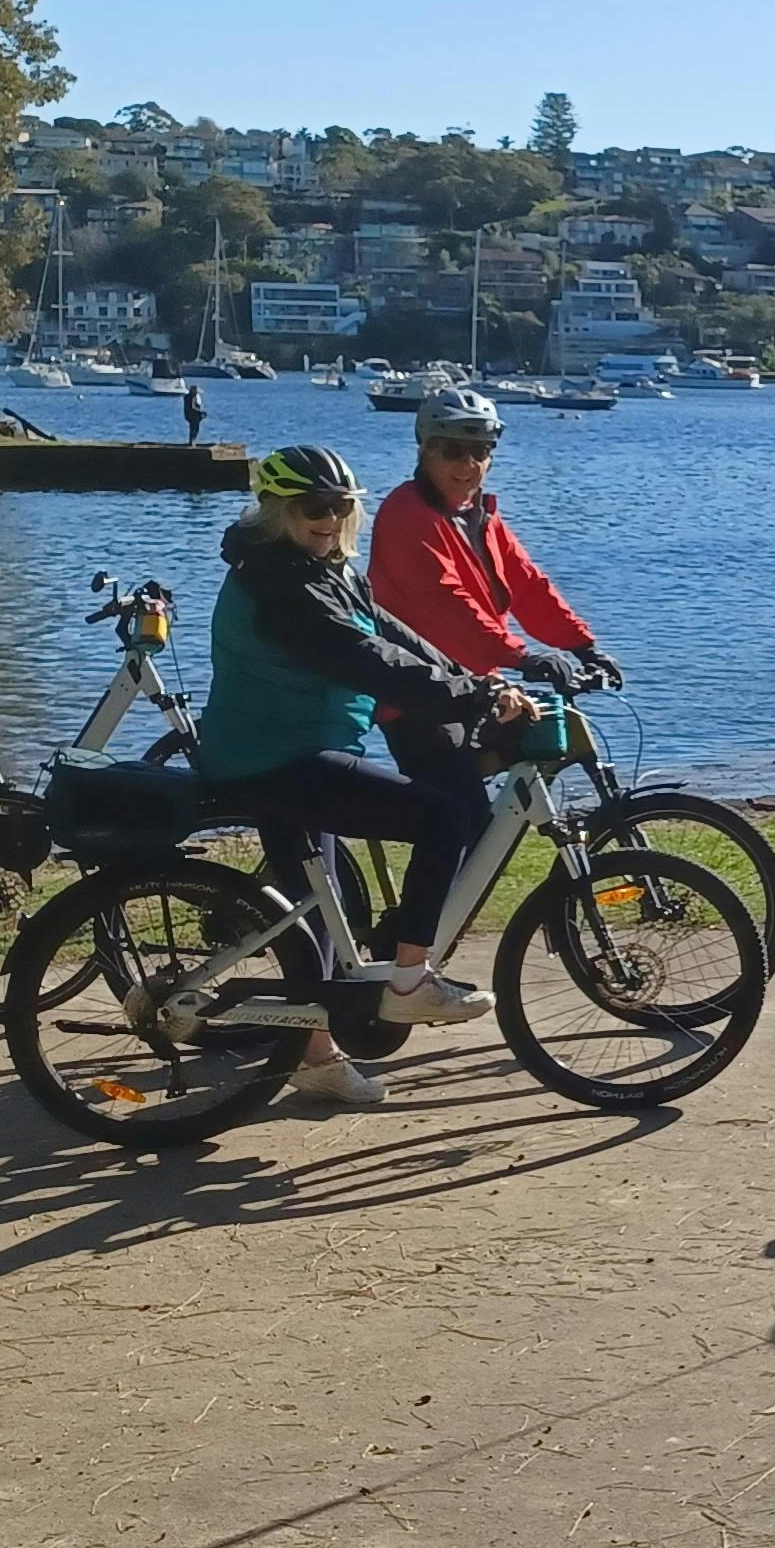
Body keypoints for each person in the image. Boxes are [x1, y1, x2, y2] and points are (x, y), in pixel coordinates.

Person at [201, 444, 534, 1106]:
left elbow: (390, 632)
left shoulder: (321, 566)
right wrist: (467, 698)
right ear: (278, 510)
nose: (330, 518)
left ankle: (315, 1058)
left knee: (319, 925)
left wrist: (475, 683)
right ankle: (410, 984)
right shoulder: (280, 581)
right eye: (313, 507)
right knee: (442, 814)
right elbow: (363, 659)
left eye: (342, 506)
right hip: (275, 758)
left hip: (293, 747)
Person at [367, 388, 618, 689]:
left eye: (480, 451)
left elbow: (528, 587)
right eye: (453, 451)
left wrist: (585, 648)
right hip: (421, 688)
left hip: (475, 682)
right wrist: (522, 657)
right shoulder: (406, 514)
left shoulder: (479, 516)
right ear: (425, 452)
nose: (468, 464)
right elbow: (445, 603)